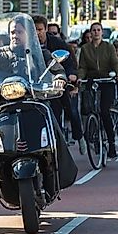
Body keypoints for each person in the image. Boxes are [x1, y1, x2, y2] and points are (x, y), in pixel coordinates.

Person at [0, 14, 75, 200]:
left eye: (19, 31)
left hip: (34, 104)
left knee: (51, 120)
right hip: (5, 106)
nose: (15, 35)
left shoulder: (40, 54)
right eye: (12, 32)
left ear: (29, 34)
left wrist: (59, 80)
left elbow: (56, 71)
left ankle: (59, 174)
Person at [34, 15, 84, 154]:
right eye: (34, 30)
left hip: (58, 83)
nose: (37, 33)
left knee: (70, 110)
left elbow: (68, 62)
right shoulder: (28, 45)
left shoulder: (57, 43)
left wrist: (70, 75)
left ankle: (79, 137)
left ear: (45, 30)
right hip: (38, 86)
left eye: (40, 29)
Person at [77, 22, 118, 158]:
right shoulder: (85, 49)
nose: (96, 32)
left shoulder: (109, 47)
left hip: (107, 81)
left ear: (102, 32)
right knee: (90, 109)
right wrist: (80, 78)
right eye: (93, 30)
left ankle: (111, 143)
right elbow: (82, 67)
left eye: (98, 30)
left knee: (104, 111)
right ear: (90, 33)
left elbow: (115, 62)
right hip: (93, 81)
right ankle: (94, 137)